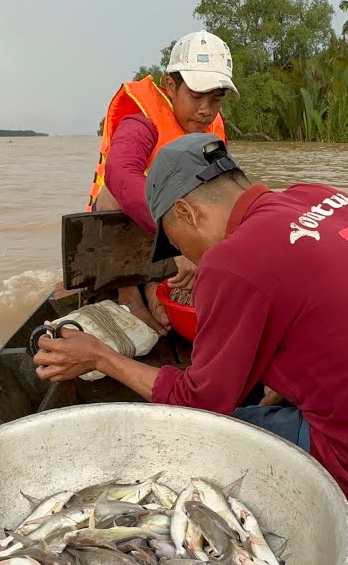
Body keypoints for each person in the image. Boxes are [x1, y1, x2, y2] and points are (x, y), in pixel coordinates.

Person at [35, 133, 348, 518]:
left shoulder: (232, 263)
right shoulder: (318, 197)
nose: (189, 258)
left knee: (184, 441)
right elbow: (334, 314)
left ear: (188, 213)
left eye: (177, 243)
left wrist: (102, 357)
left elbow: (200, 403)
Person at [86, 30, 237, 336]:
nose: (206, 109)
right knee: (113, 193)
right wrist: (176, 242)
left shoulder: (212, 130)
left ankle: (156, 286)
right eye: (196, 96)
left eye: (215, 99)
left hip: (169, 234)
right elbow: (120, 174)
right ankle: (128, 292)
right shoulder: (141, 121)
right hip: (123, 228)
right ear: (171, 86)